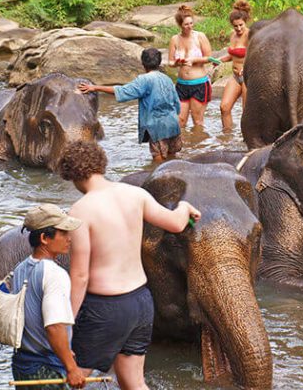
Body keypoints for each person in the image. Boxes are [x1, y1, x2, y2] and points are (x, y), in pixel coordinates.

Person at [58, 141, 201, 389]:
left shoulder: (80, 210)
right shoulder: (135, 194)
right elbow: (177, 224)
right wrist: (184, 206)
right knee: (133, 382)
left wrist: (66, 321)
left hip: (105, 307)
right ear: (100, 165)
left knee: (71, 378)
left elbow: (80, 275)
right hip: (141, 303)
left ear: (72, 175)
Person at [11, 204, 86, 389]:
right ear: (45, 238)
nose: (69, 239)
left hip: (22, 364)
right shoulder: (54, 273)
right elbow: (54, 326)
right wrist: (71, 368)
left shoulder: (21, 269)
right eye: (63, 233)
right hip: (47, 368)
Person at [78, 48, 181, 164]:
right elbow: (177, 105)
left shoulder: (144, 79)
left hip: (157, 127)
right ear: (159, 62)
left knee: (158, 162)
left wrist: (95, 87)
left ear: (143, 63)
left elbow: (123, 91)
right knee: (172, 160)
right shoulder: (167, 79)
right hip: (173, 124)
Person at [169, 5, 215, 128]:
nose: (190, 27)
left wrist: (194, 60)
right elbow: (170, 62)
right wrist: (177, 63)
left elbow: (209, 58)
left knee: (197, 121)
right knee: (180, 121)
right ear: (180, 25)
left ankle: (199, 146)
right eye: (186, 25)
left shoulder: (200, 36)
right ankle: (183, 147)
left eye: (191, 23)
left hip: (199, 84)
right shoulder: (175, 39)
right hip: (182, 85)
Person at [218, 0, 251, 130]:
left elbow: (254, 56)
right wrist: (220, 60)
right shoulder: (233, 35)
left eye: (241, 25)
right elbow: (233, 55)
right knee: (224, 107)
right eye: (235, 26)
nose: (238, 29)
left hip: (247, 77)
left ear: (245, 22)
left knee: (246, 112)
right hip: (235, 76)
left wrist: (246, 67)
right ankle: (227, 138)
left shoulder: (250, 35)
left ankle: (246, 141)